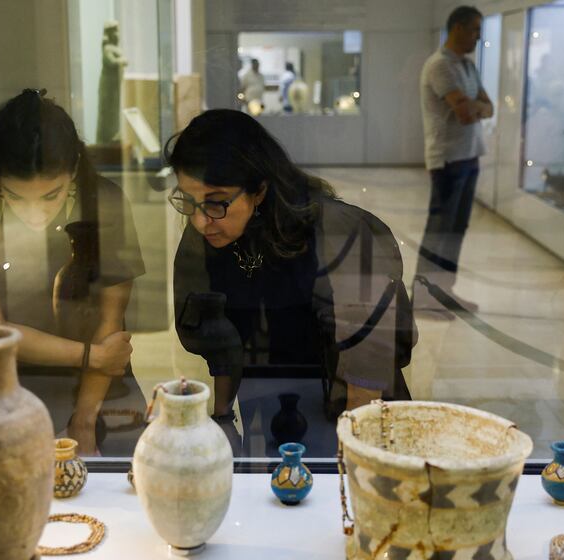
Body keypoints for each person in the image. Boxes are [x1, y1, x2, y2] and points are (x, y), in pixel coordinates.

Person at [165, 109, 417, 442]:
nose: (200, 221)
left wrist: (353, 455)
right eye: (188, 201)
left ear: (259, 190)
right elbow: (219, 336)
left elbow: (366, 367)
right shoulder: (210, 231)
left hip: (348, 411)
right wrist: (223, 418)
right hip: (269, 398)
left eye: (216, 202)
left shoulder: (338, 232)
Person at [0, 89, 146, 455]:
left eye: (51, 196)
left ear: (75, 172)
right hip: (2, 380)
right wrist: (91, 355)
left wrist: (83, 419)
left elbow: (111, 325)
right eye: (15, 197)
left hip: (100, 384)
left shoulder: (105, 201)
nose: (35, 215)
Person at [415, 5, 493, 319]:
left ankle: (445, 291)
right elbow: (464, 114)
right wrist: (475, 107)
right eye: (475, 29)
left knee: (456, 229)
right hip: (448, 161)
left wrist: (476, 106)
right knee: (440, 230)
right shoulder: (440, 66)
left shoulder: (468, 67)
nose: (478, 36)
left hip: (469, 156)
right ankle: (424, 296)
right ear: (457, 28)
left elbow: (488, 107)